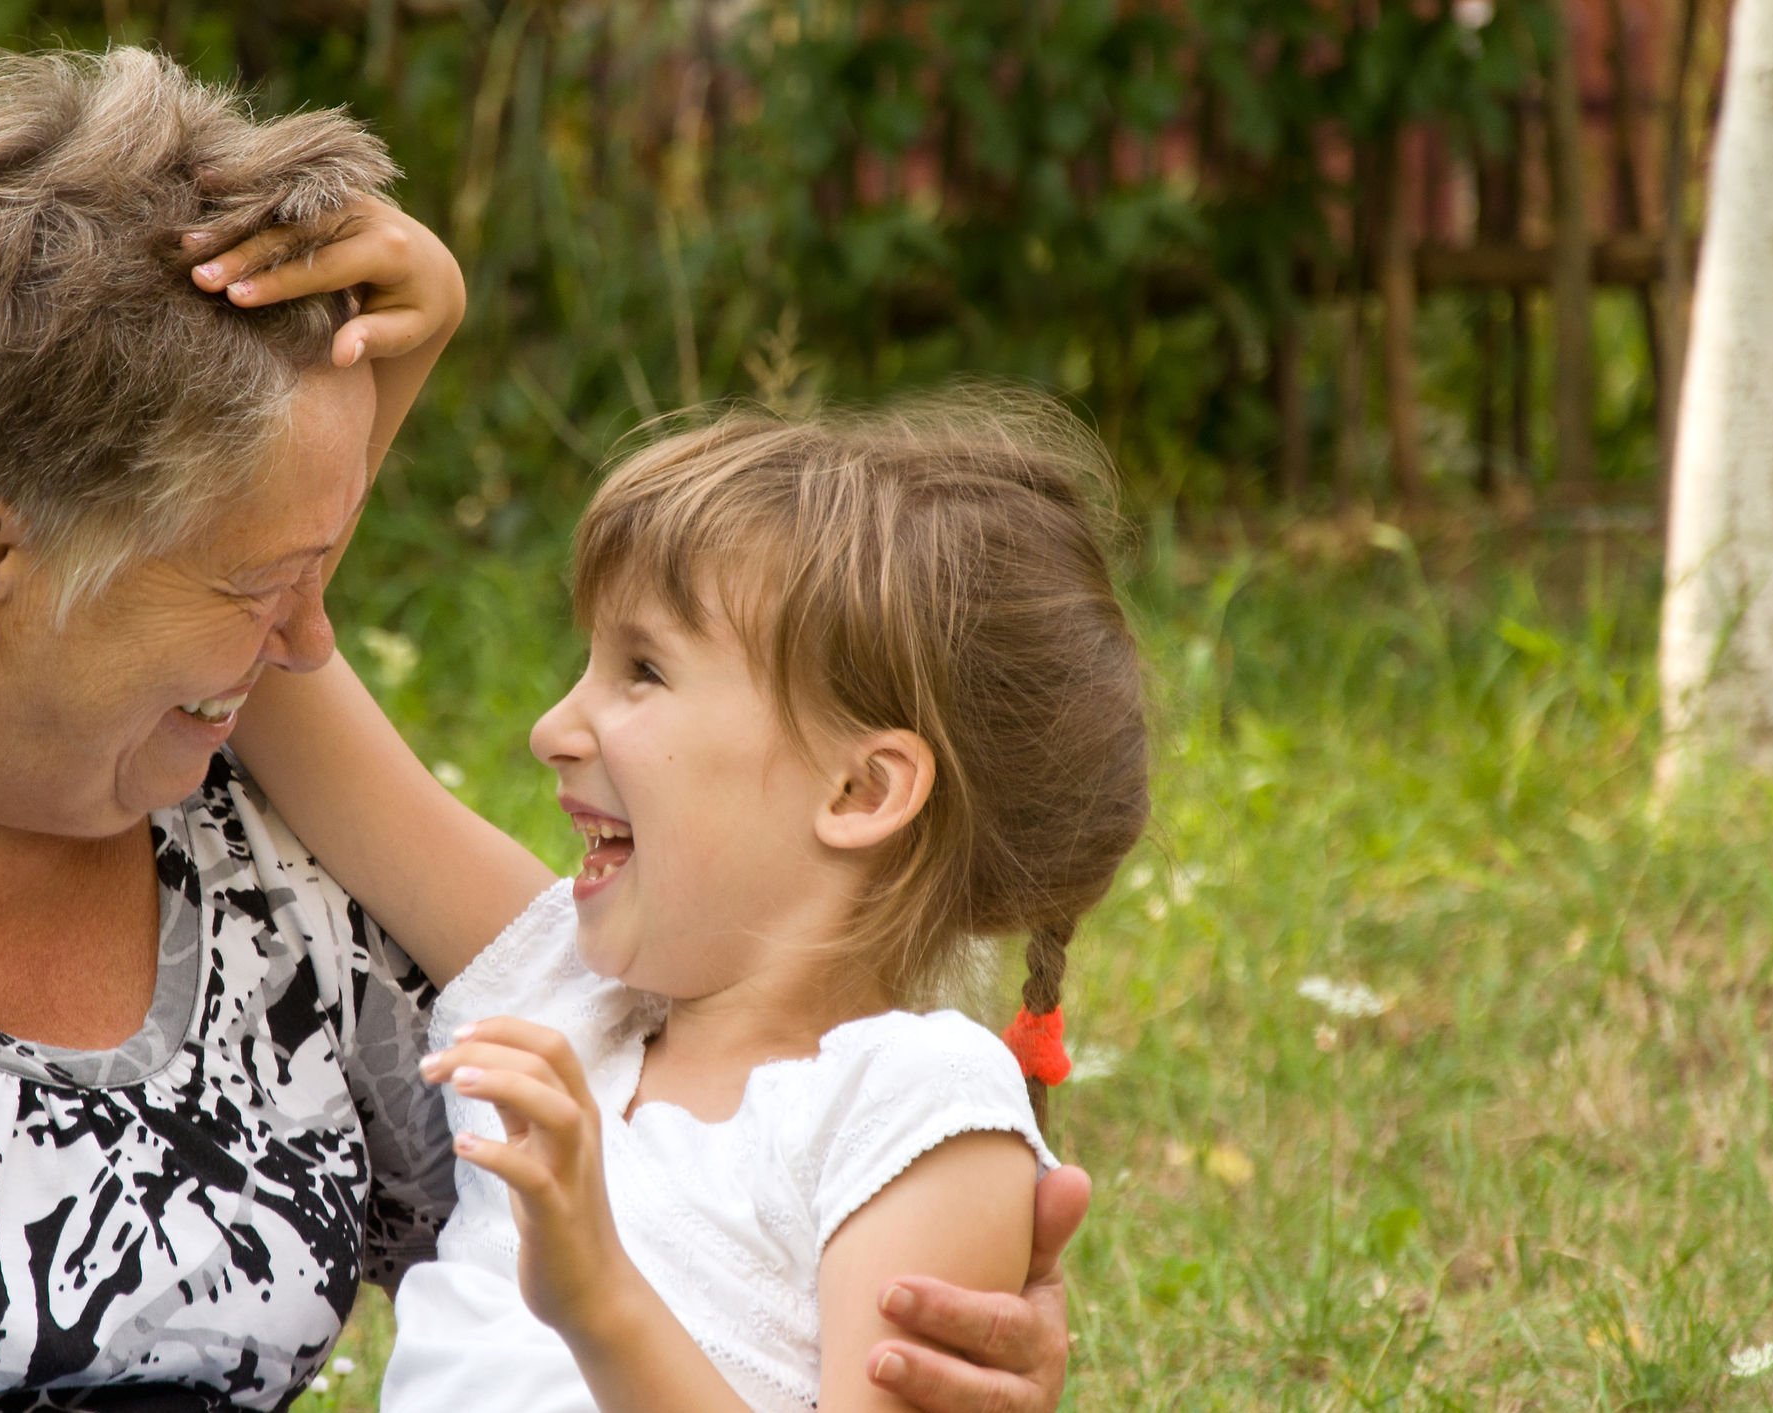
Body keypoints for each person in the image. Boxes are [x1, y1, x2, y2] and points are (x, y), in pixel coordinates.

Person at [0, 48, 1082, 1413]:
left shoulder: (241, 814)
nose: (295, 649)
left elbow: (683, 1218)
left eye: (314, 575)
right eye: (261, 584)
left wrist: (913, 1295)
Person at [225, 394, 1149, 1411]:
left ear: (859, 792)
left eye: (644, 670)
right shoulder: (556, 989)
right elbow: (258, 636)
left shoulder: (915, 1107)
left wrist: (602, 1302)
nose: (550, 729)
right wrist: (409, 333)